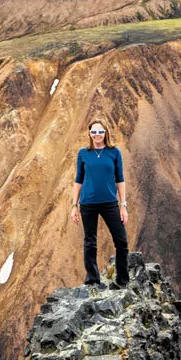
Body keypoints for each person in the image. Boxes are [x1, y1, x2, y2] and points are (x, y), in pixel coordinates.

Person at [69, 119, 129, 286]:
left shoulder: (114, 152)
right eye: (94, 132)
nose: (97, 135)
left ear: (105, 133)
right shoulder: (83, 153)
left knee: (121, 241)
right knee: (90, 241)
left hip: (110, 202)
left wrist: (123, 206)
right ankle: (93, 279)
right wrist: (74, 206)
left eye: (100, 131)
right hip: (88, 203)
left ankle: (122, 280)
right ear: (89, 133)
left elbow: (120, 179)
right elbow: (78, 179)